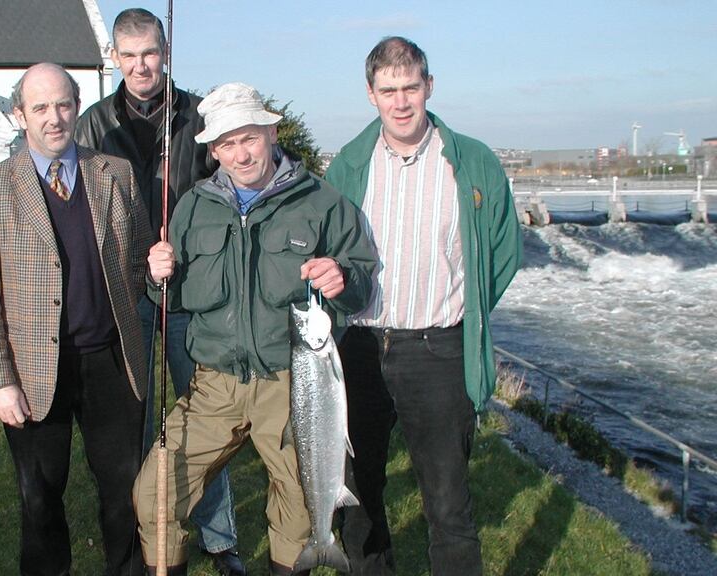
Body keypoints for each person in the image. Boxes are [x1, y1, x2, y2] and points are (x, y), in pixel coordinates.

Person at [132, 82, 377, 576]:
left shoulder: (324, 203)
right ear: (212, 149)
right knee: (155, 494)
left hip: (293, 386)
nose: (240, 154)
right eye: (226, 143)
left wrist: (342, 278)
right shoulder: (192, 207)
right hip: (213, 385)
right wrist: (156, 275)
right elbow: (170, 298)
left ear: (271, 131)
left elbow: (363, 285)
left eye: (249, 138)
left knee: (300, 509)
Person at [325, 36, 523, 575]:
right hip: (361, 347)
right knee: (360, 495)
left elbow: (502, 253)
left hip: (439, 350)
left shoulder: (472, 163)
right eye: (388, 90)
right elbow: (329, 252)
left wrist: (470, 306)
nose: (401, 100)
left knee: (447, 504)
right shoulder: (348, 166)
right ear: (371, 94)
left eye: (411, 86)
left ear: (428, 86)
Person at [0, 63, 151, 576]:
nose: (54, 118)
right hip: (32, 371)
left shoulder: (114, 174)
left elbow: (137, 266)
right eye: (40, 108)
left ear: (76, 105)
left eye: (63, 104)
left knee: (124, 490)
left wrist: (153, 271)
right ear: (20, 115)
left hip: (110, 362)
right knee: (40, 498)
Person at [73, 8, 243, 574]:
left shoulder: (197, 116)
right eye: (129, 54)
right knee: (142, 426)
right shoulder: (93, 124)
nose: (141, 64)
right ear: (114, 59)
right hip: (125, 298)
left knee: (202, 422)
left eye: (150, 52)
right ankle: (152, 537)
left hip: (191, 295)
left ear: (165, 51)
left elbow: (232, 186)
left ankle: (220, 540)